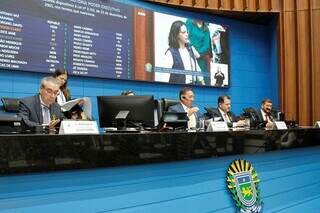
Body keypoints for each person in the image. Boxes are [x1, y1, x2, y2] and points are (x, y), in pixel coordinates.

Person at [163, 20, 203, 85]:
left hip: (193, 87)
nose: (187, 34)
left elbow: (198, 68)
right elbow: (165, 79)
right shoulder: (170, 53)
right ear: (176, 35)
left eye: (187, 32)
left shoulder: (190, 49)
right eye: (183, 32)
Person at [186, 19, 212, 85]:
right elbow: (186, 37)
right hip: (189, 54)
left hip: (201, 57)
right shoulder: (189, 22)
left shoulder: (206, 29)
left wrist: (199, 54)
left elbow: (207, 45)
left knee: (203, 80)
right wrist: (193, 50)